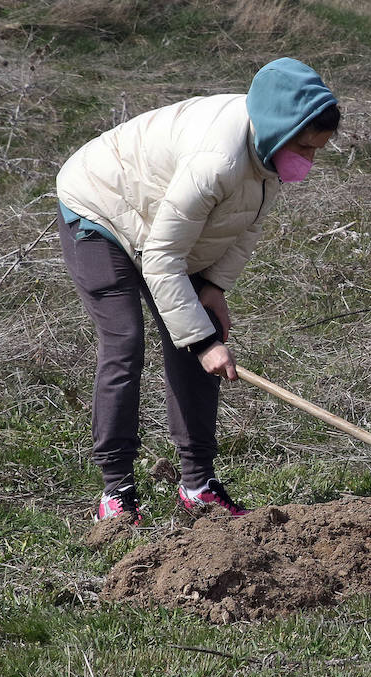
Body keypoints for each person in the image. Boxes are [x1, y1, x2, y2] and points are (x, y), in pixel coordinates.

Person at [57, 57, 340, 523]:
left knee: (197, 327)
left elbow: (246, 225)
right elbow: (163, 257)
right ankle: (116, 491)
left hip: (159, 217)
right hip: (101, 207)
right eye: (305, 148)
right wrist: (205, 343)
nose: (308, 160)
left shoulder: (268, 148)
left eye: (317, 150)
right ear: (279, 129)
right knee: (125, 341)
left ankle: (198, 485)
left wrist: (212, 287)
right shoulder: (218, 160)